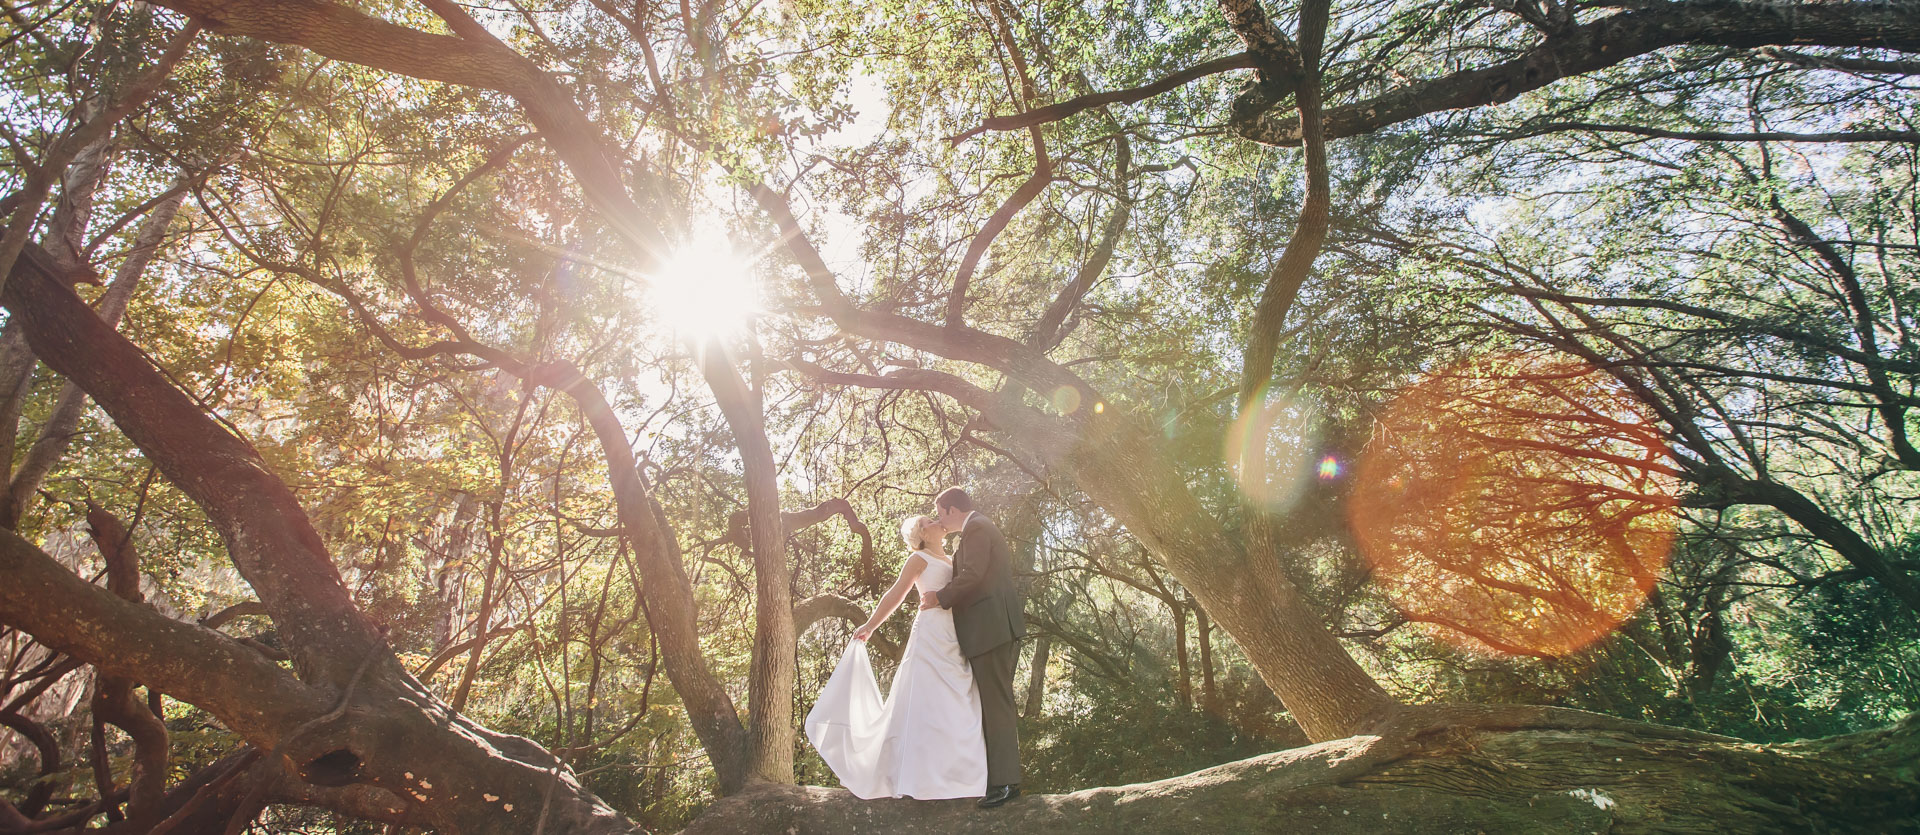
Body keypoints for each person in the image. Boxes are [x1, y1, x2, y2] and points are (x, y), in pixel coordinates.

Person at [804, 514, 988, 800]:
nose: (936, 521)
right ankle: (921, 777)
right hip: (931, 635)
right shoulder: (919, 559)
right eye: (928, 521)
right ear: (923, 535)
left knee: (958, 699)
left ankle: (957, 777)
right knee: (926, 701)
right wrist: (869, 626)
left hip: (956, 635)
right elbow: (896, 594)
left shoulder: (954, 559)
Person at [918, 487, 1025, 808]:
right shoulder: (977, 528)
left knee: (996, 704)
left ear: (952, 510)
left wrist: (940, 596)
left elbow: (974, 574)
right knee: (991, 704)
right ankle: (997, 780)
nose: (939, 520)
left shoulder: (977, 527)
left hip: (990, 629)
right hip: (989, 630)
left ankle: (1006, 784)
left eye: (940, 513)